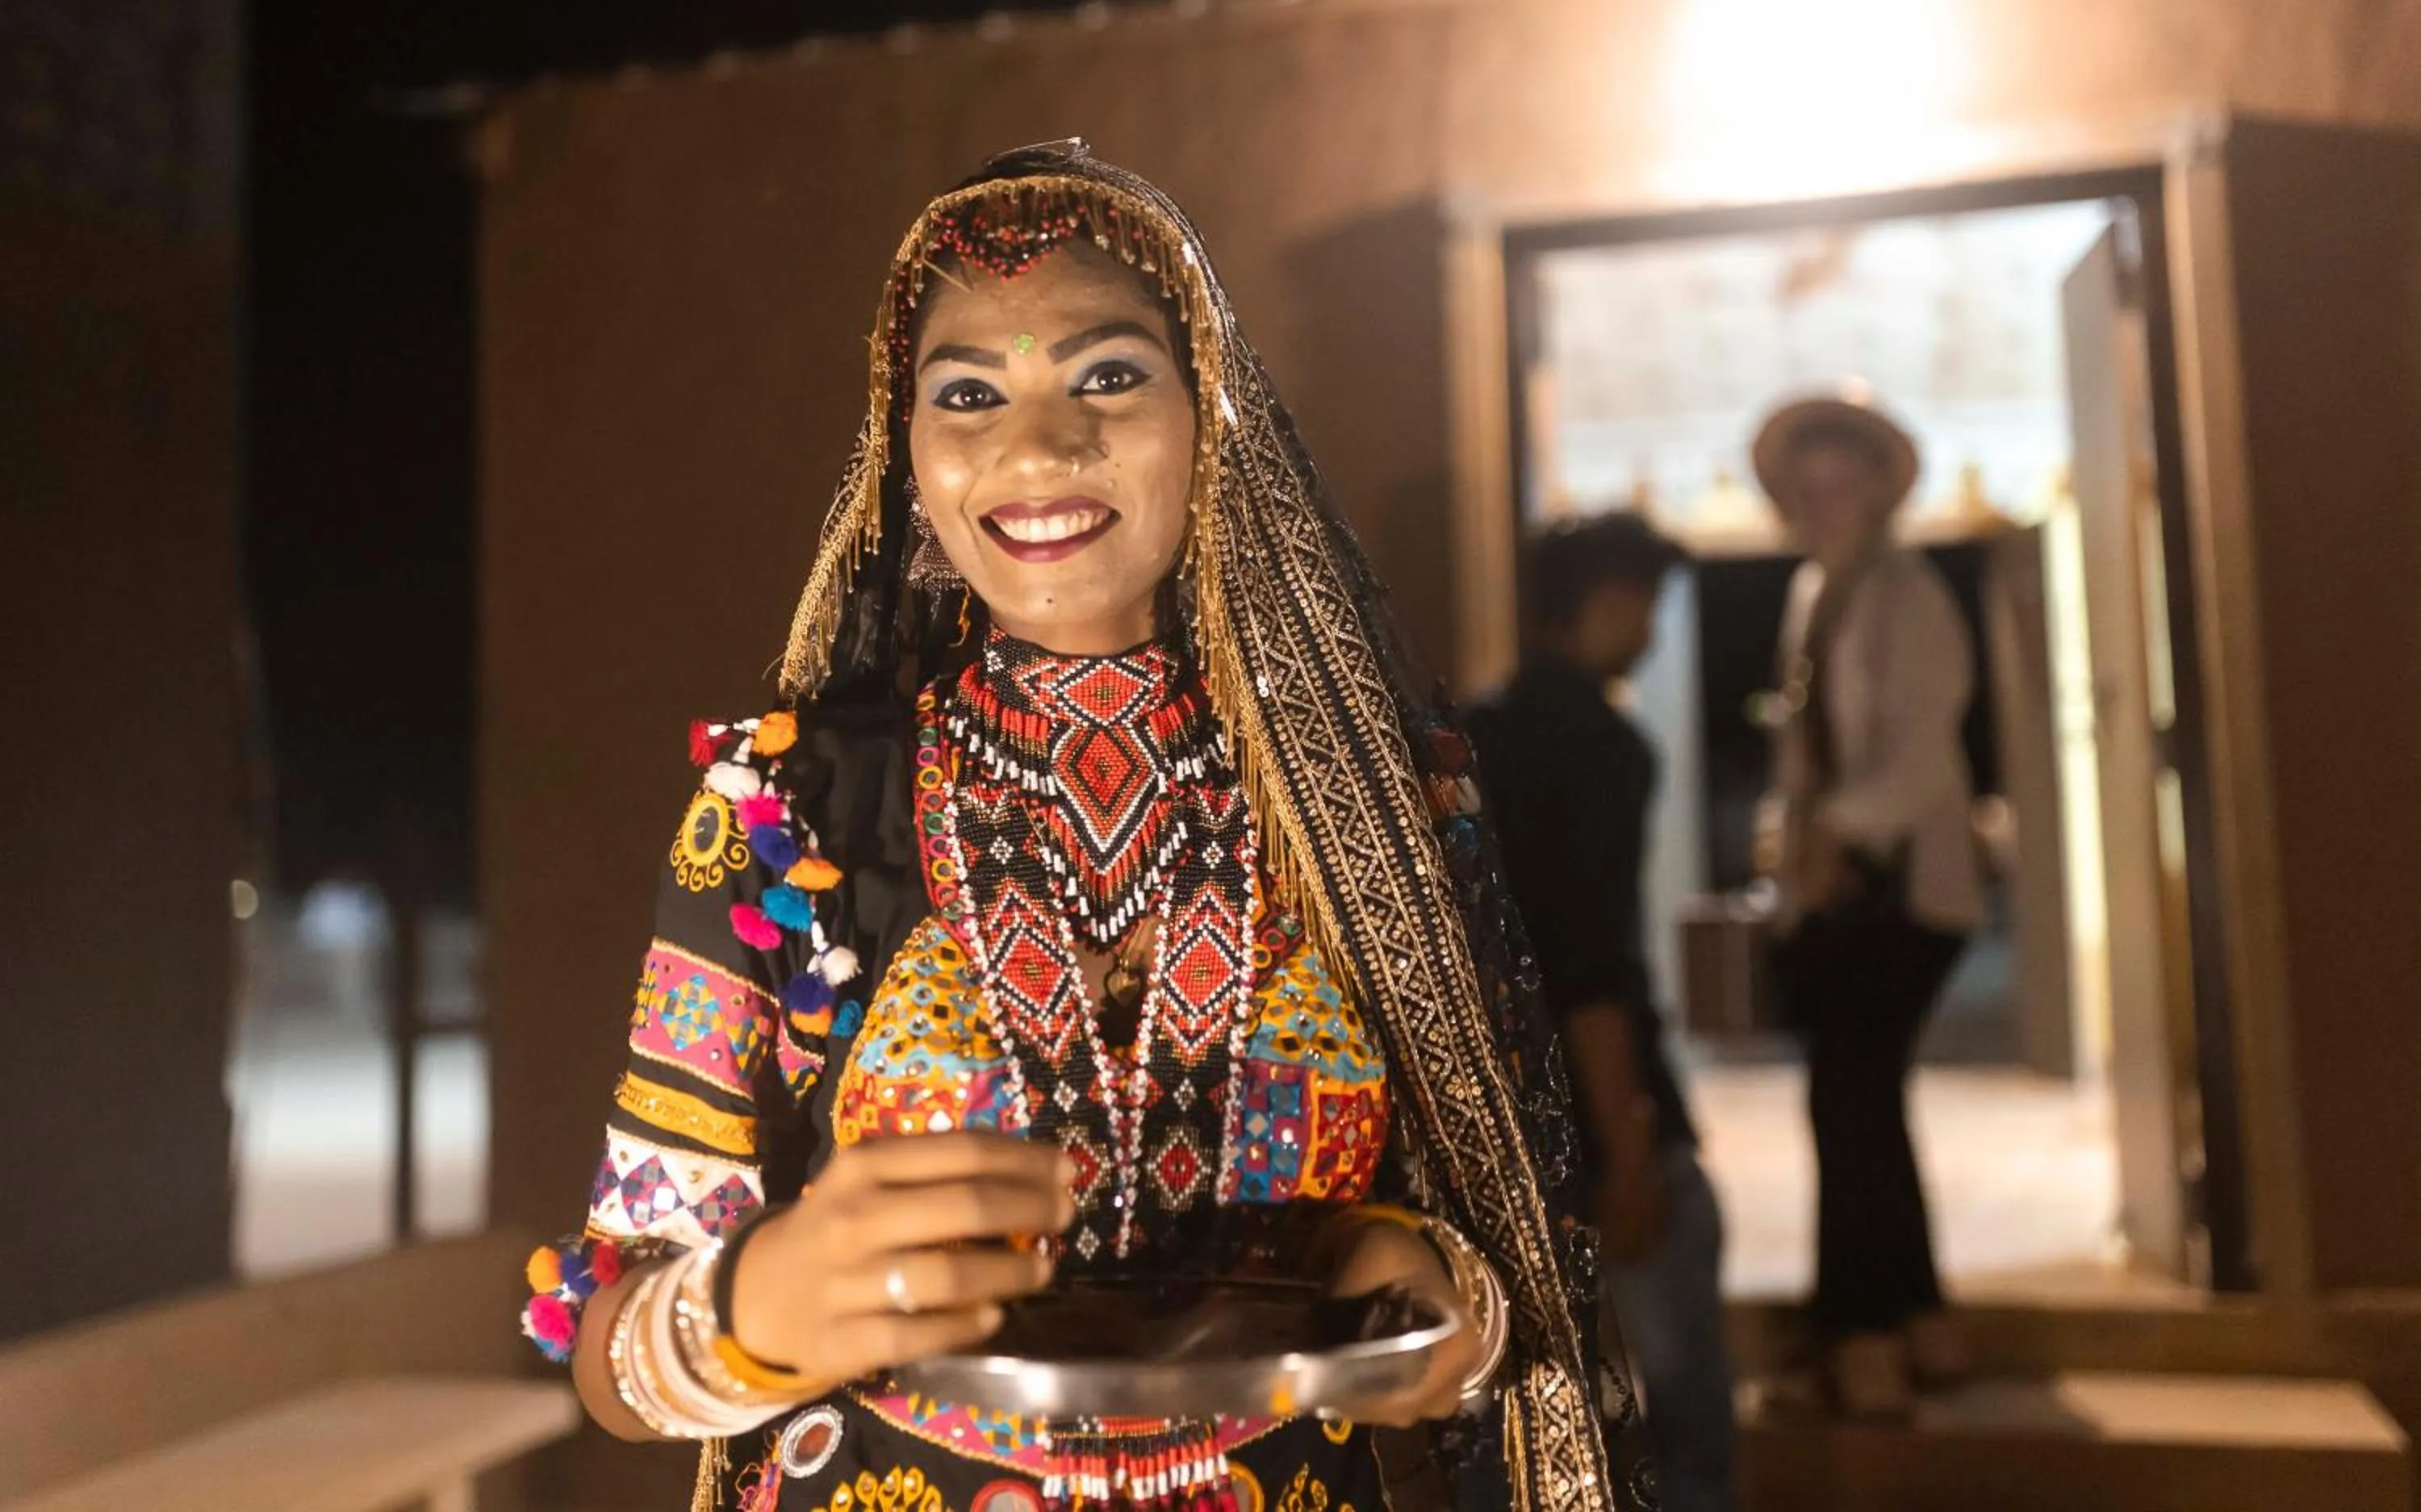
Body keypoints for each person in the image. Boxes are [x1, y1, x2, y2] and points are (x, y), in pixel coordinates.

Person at [515, 143, 1656, 1512]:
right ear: (910, 455)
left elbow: (1502, 1261)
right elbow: (609, 1337)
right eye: (968, 396)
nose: (1037, 447)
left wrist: (1408, 1285)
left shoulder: (1372, 807)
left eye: (1108, 377)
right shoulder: (781, 812)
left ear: (1213, 421)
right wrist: (749, 1311)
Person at [1468, 514, 1737, 1512]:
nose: (1653, 632)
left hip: (1503, 1108)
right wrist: (1629, 1141)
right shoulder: (1604, 746)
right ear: (1614, 600)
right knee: (1676, 1404)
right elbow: (1592, 959)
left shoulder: (1478, 729)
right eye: (1649, 607)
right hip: (1600, 1109)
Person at [1751, 393, 1984, 1420]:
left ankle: (1862, 1335)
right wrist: (1789, 837)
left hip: (1907, 889)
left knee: (1850, 1102)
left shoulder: (1908, 593)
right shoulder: (1817, 591)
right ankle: (1913, 1322)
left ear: (1877, 491)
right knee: (1860, 1102)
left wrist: (1828, 831)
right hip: (1843, 892)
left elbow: (1923, 759)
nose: (1825, 501)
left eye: (1842, 484)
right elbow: (1803, 743)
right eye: (1810, 487)